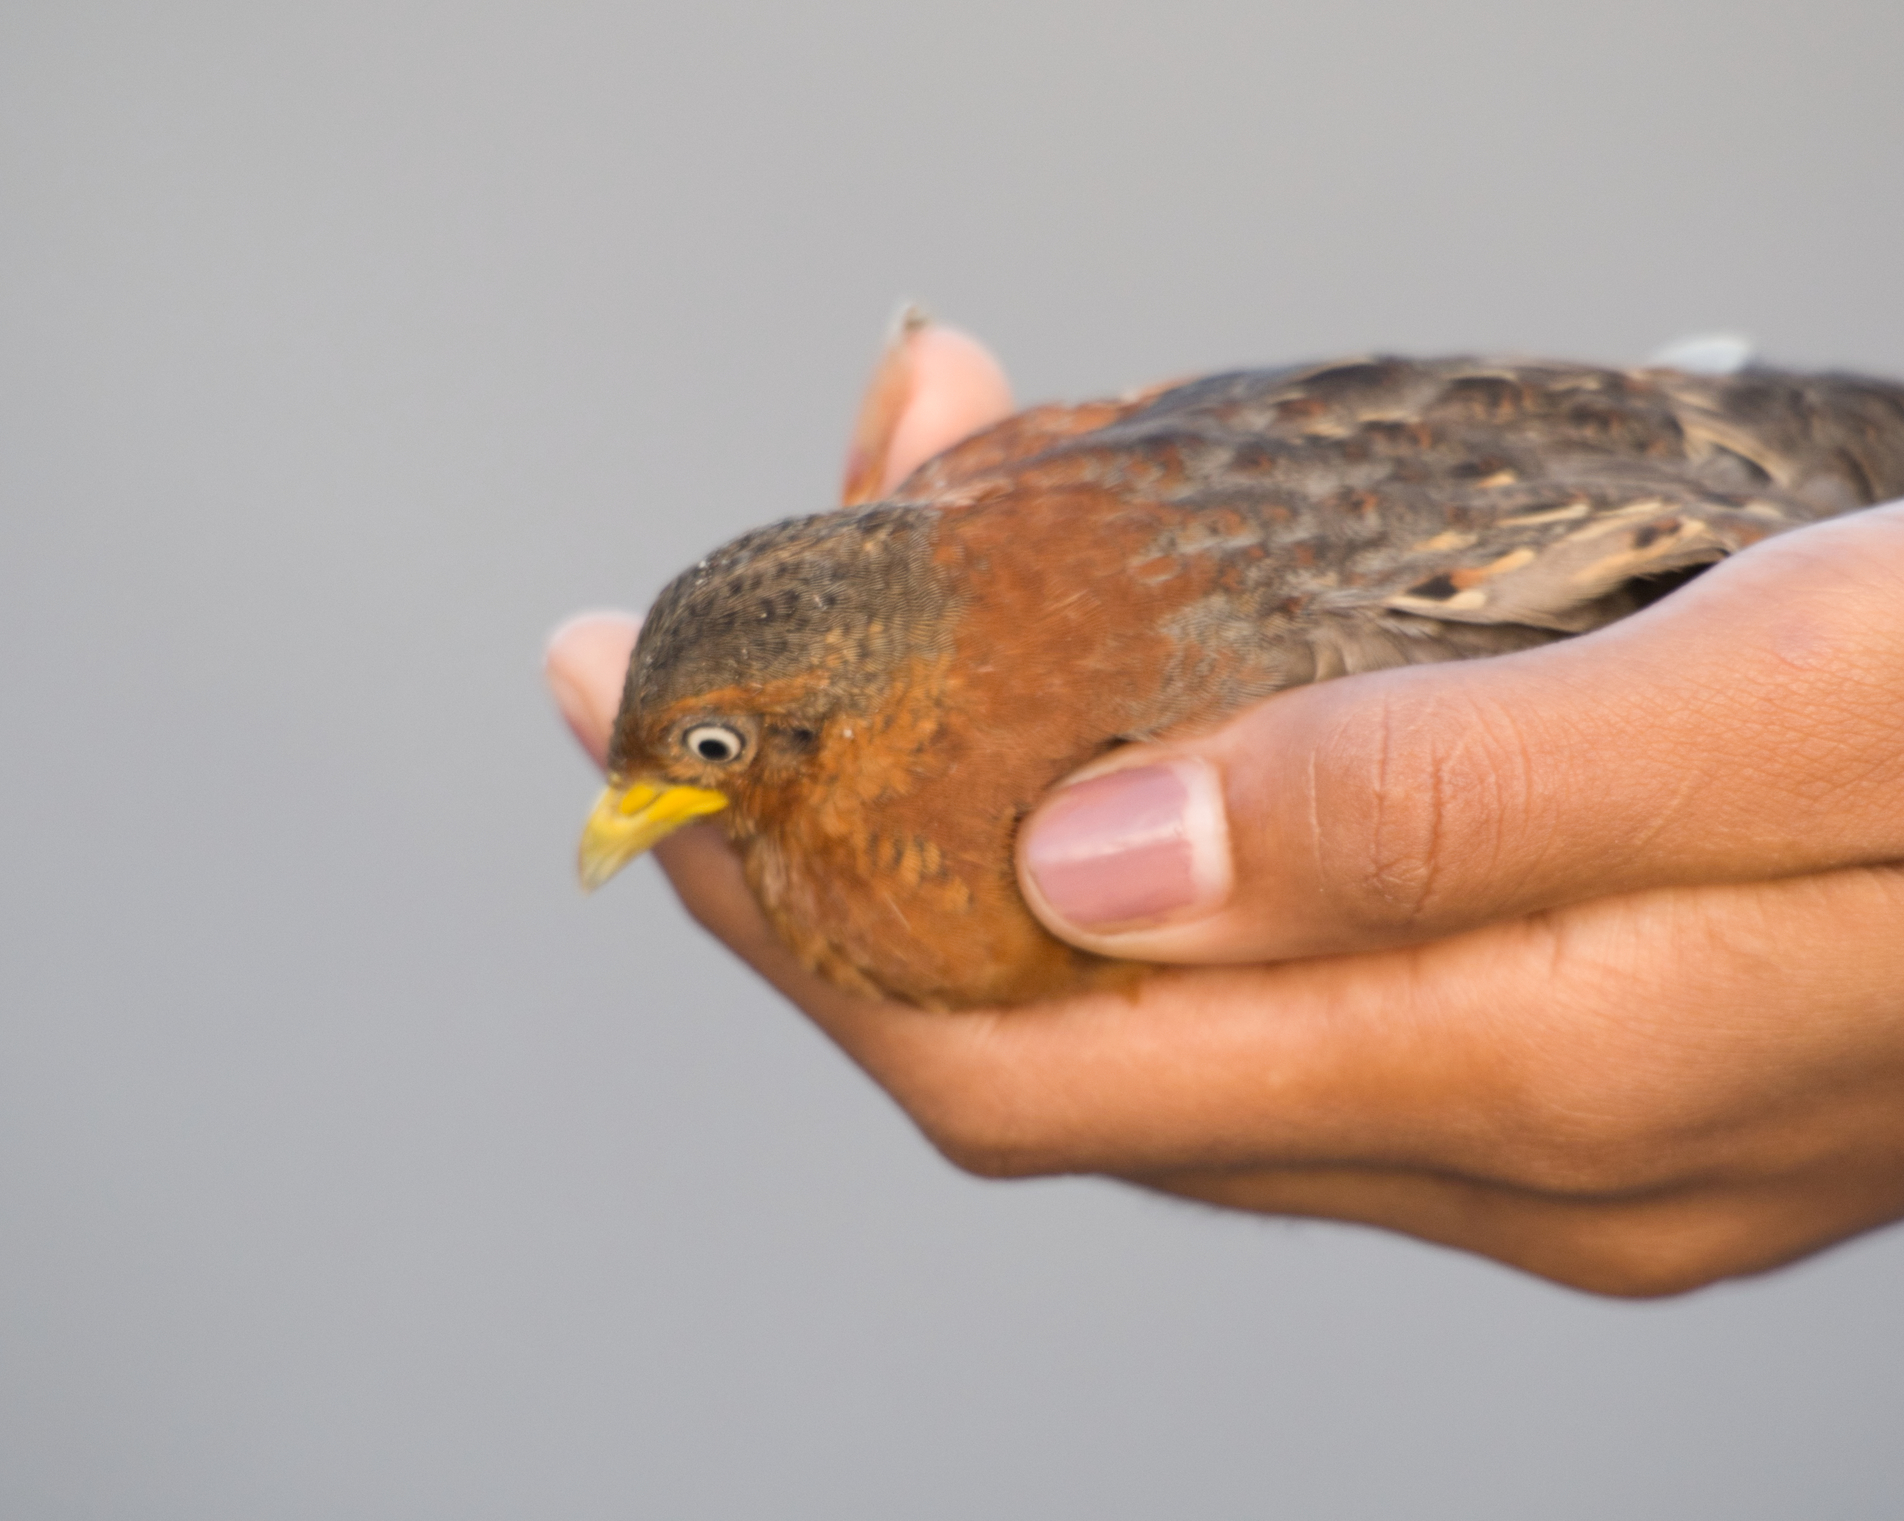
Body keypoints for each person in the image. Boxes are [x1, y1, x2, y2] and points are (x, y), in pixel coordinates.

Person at [546, 325, 1904, 1297]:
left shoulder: (1082, 755)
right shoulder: (997, 489)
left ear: (826, 726)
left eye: (710, 749)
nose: (644, 809)